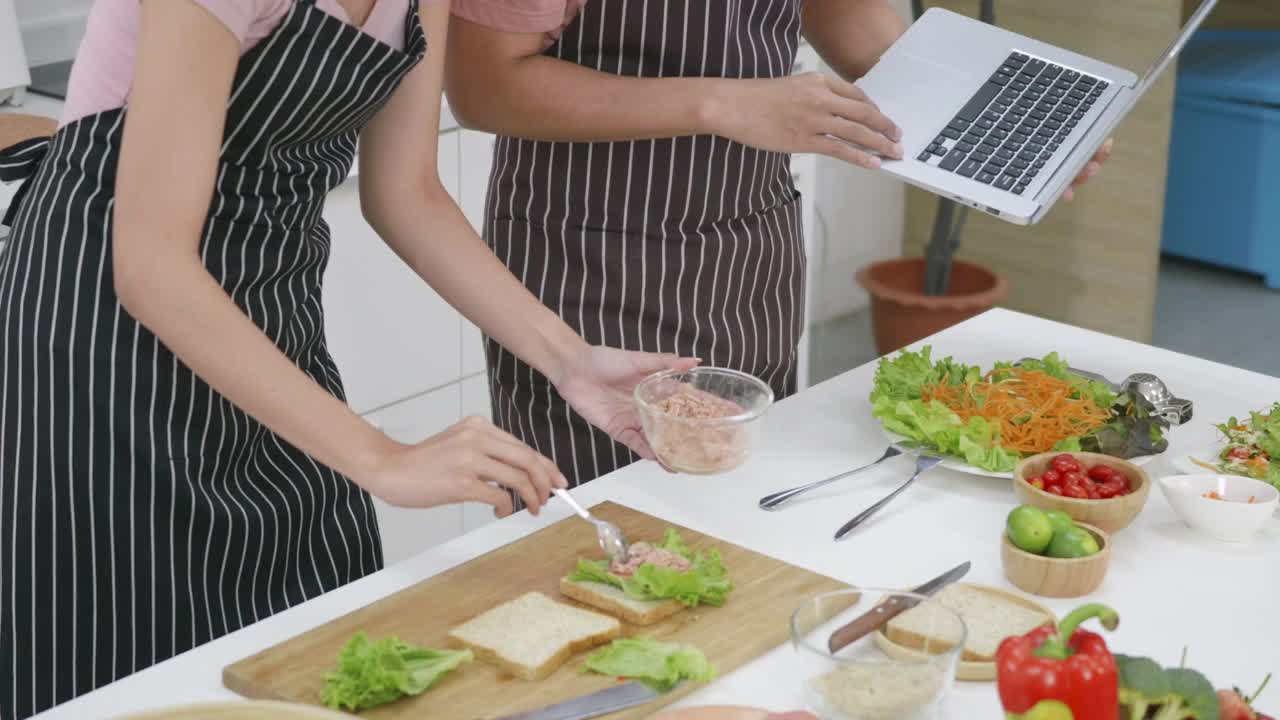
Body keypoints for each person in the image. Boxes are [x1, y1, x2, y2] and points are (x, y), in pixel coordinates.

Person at [0, 1, 692, 717]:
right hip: (102, 343)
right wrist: (381, 458)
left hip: (270, 320)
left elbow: (405, 193)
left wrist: (571, 360)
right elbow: (150, 268)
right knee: (128, 668)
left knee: (312, 649)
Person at [445, 0, 1114, 494]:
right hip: (590, 267)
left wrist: (982, 130)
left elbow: (846, 14)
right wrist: (719, 104)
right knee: (615, 541)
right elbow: (483, 87)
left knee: (747, 518)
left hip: (749, 255)